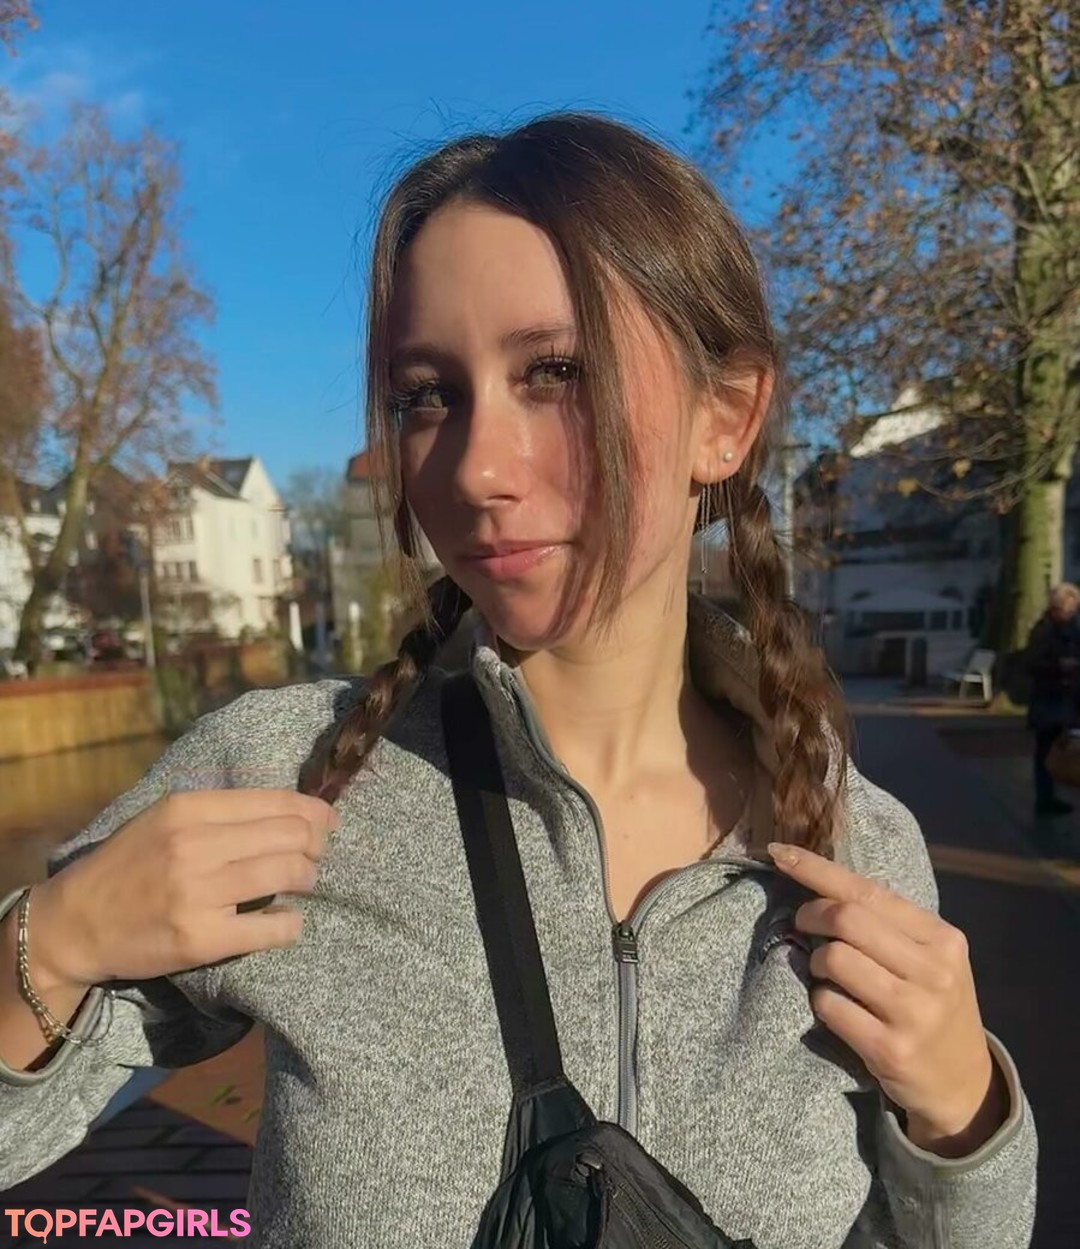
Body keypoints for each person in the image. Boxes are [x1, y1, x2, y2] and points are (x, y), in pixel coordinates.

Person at [0, 114, 1036, 1248]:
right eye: (429, 394)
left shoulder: (855, 845)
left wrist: (964, 1120)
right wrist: (50, 946)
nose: (477, 467)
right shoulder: (288, 778)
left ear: (727, 415)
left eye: (556, 373)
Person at [1026, 581, 1080, 818]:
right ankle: (1045, 797)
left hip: (1066, 697)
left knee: (1062, 745)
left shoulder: (1072, 629)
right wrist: (1058, 665)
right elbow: (1032, 663)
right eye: (1067, 609)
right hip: (1048, 698)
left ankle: (1052, 793)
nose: (1070, 613)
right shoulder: (1043, 631)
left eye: (1073, 609)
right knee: (1046, 749)